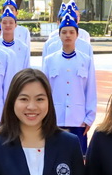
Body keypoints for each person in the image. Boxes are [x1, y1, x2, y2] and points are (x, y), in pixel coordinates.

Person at [42, 12, 97, 155]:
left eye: (71, 32)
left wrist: (89, 118)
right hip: (55, 119)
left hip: (78, 119)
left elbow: (91, 89)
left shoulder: (86, 60)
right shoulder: (49, 60)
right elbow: (44, 91)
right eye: (64, 32)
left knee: (77, 158)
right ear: (59, 35)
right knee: (54, 156)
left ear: (77, 35)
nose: (68, 35)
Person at [0, 4, 30, 74]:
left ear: (15, 25)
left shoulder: (23, 48)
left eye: (11, 23)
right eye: (4, 23)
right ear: (0, 24)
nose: (7, 25)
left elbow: (27, 69)